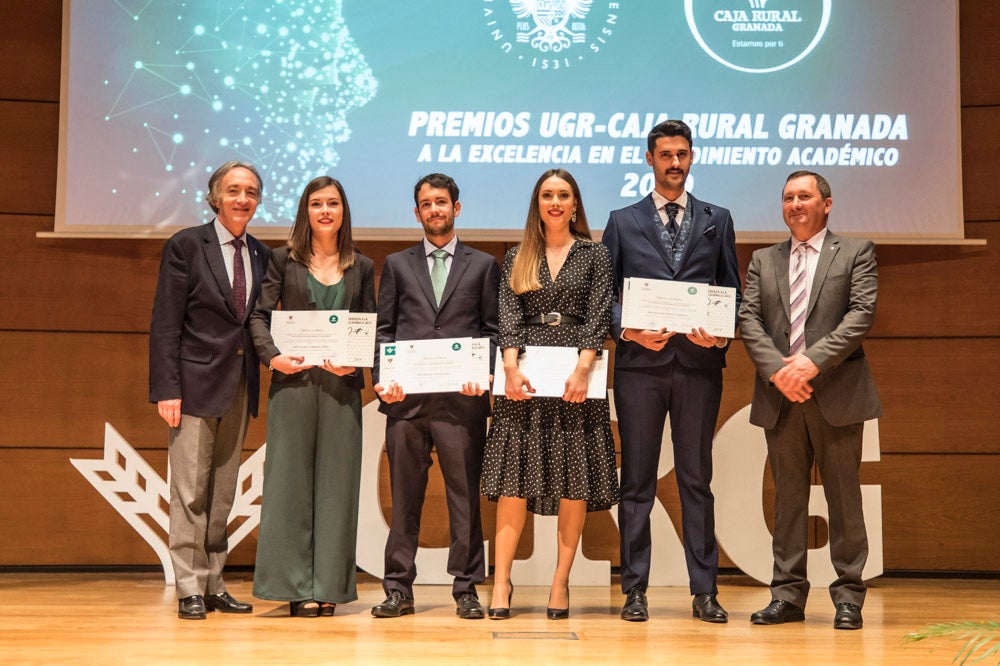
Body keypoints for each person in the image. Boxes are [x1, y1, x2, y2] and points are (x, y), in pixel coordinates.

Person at [602, 119, 741, 623]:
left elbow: (730, 290)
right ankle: (634, 590)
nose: (674, 163)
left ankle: (705, 591)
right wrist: (628, 331)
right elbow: (604, 297)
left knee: (695, 480)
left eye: (682, 154)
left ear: (692, 157)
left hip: (699, 366)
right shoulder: (622, 220)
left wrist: (720, 332)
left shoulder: (716, 218)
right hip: (640, 367)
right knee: (636, 480)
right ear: (649, 159)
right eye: (665, 154)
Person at [739, 170, 881, 631]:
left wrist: (810, 363)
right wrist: (781, 371)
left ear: (827, 204)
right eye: (788, 198)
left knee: (843, 497)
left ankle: (848, 596)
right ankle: (787, 596)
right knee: (788, 500)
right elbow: (750, 320)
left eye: (804, 196)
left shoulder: (856, 251)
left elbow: (860, 314)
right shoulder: (764, 259)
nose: (795, 204)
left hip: (836, 391)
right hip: (781, 395)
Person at [482, 168, 619, 621]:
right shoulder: (517, 255)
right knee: (512, 485)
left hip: (576, 379)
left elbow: (600, 316)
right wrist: (509, 368)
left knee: (573, 484)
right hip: (525, 378)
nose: (555, 202)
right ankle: (501, 582)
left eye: (563, 195)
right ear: (537, 204)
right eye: (547, 195)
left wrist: (584, 369)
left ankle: (560, 584)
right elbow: (507, 316)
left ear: (575, 203)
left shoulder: (595, 254)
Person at [370, 173, 500, 620]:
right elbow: (384, 331)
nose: (434, 210)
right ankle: (397, 589)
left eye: (441, 202)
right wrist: (382, 378)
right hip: (406, 403)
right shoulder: (398, 264)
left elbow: (492, 332)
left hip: (461, 404)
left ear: (456, 208)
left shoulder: (482, 265)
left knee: (464, 499)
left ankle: (466, 588)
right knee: (404, 499)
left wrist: (484, 373)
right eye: (426, 204)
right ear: (417, 212)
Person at [149, 160, 272, 620]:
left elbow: (258, 322)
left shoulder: (261, 253)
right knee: (189, 493)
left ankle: (214, 581)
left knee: (222, 493)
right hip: (192, 387)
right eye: (234, 190)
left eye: (252, 192)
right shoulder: (186, 245)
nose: (243, 199)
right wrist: (167, 388)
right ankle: (188, 588)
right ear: (215, 196)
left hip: (241, 385)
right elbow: (165, 322)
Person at [248, 176, 376, 617]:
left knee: (338, 487)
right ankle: (295, 586)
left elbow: (369, 327)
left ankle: (330, 588)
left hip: (341, 389)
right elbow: (259, 318)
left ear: (344, 212)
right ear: (305, 211)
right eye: (316, 203)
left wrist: (357, 361)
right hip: (293, 386)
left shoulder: (362, 265)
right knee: (289, 485)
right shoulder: (282, 260)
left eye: (333, 203)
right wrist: (273, 358)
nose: (325, 211)